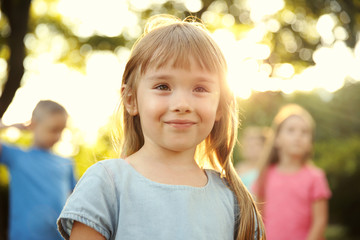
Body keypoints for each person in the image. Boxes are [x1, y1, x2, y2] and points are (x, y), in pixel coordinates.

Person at [57, 14, 265, 240]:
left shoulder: (234, 200)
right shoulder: (106, 184)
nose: (182, 104)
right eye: (163, 86)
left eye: (200, 88)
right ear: (131, 99)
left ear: (219, 108)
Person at [0, 100, 77, 240]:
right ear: (34, 125)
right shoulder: (16, 156)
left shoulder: (66, 163)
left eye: (61, 130)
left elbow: (76, 202)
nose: (58, 136)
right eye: (53, 129)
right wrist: (9, 126)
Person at [253, 104, 331, 240]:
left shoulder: (315, 177)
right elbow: (258, 217)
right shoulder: (265, 175)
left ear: (310, 143)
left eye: (304, 132)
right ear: (277, 139)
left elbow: (319, 222)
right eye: (291, 130)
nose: (298, 136)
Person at [236, 126, 268, 192]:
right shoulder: (239, 168)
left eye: (256, 145)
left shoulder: (266, 168)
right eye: (249, 145)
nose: (252, 148)